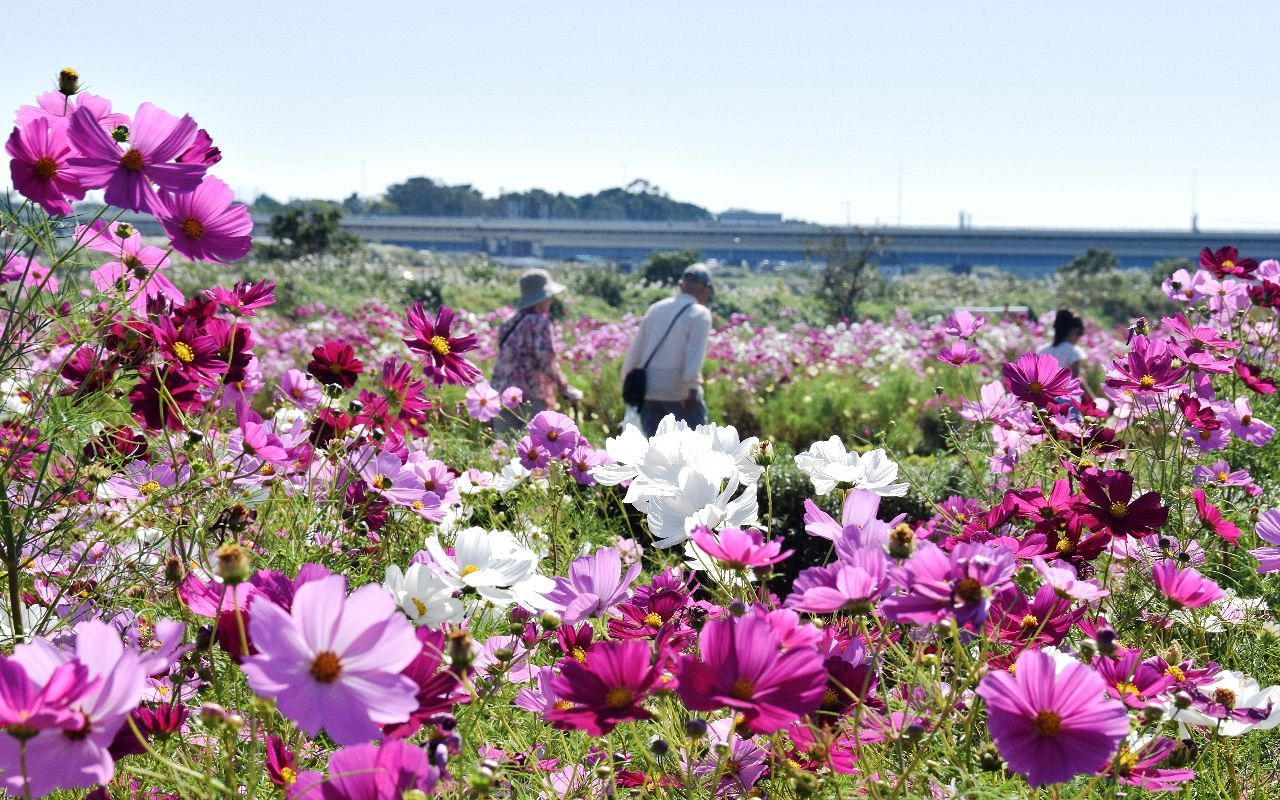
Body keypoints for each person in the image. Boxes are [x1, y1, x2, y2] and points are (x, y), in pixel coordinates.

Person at [621, 262, 714, 436]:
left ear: (681, 285)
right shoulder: (700, 314)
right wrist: (692, 387)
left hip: (649, 390)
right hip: (679, 392)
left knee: (655, 452)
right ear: (706, 289)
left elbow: (636, 349)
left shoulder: (657, 308)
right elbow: (694, 355)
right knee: (696, 449)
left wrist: (627, 378)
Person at [491, 269, 582, 434]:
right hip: (531, 395)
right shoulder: (539, 322)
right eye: (549, 296)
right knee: (534, 451)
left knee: (504, 449)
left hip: (502, 394)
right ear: (541, 298)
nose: (551, 300)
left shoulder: (508, 321)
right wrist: (564, 388)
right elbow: (546, 359)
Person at [1038, 308, 1086, 376]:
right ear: (1074, 331)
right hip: (1063, 387)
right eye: (1080, 333)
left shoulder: (1042, 350)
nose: (1079, 338)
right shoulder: (1074, 351)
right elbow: (1075, 380)